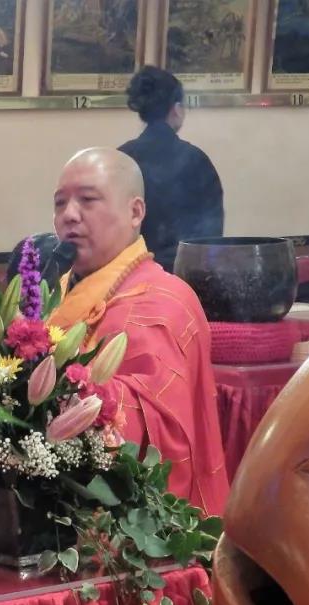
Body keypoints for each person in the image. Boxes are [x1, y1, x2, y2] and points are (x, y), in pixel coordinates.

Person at [47, 147, 229, 516]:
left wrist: (65, 391)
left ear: (135, 212)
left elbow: (161, 432)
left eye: (87, 200)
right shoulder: (58, 292)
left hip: (140, 520)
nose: (69, 215)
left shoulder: (165, 302)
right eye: (60, 203)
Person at [117, 66, 224, 273]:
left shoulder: (121, 160)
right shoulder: (197, 161)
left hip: (128, 275)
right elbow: (211, 239)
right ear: (176, 109)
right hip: (185, 277)